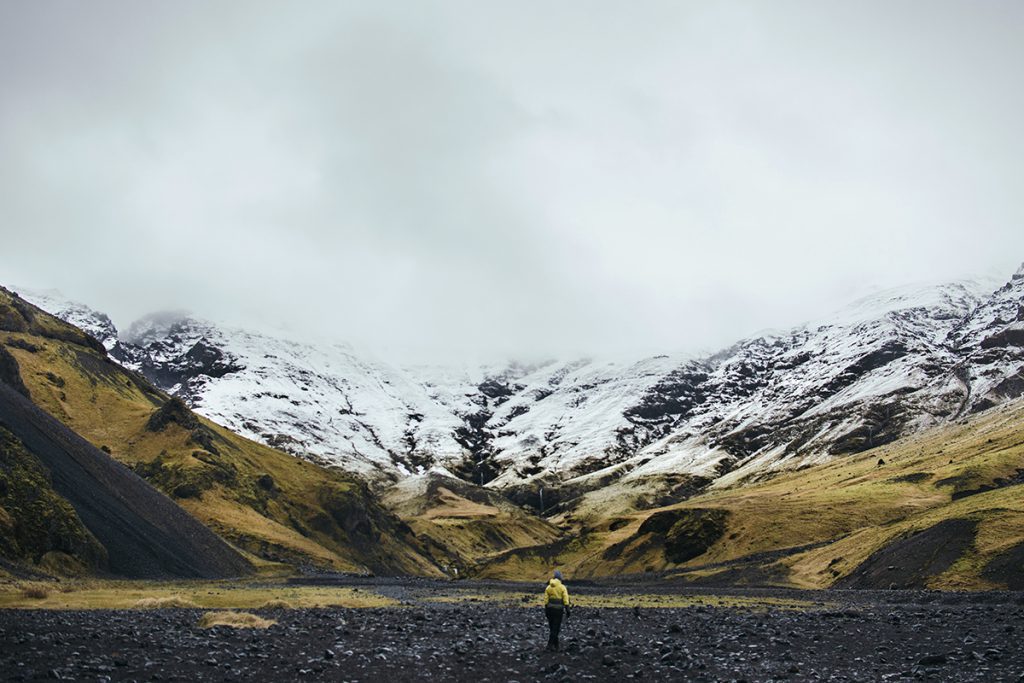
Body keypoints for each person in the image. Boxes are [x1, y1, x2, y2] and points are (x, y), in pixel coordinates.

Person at [544, 569, 571, 651]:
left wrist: (546, 609)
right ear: (560, 578)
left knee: (552, 628)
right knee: (556, 628)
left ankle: (556, 646)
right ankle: (549, 645)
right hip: (558, 610)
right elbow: (566, 599)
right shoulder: (562, 587)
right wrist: (567, 609)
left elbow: (546, 600)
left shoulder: (548, 587)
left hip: (549, 610)